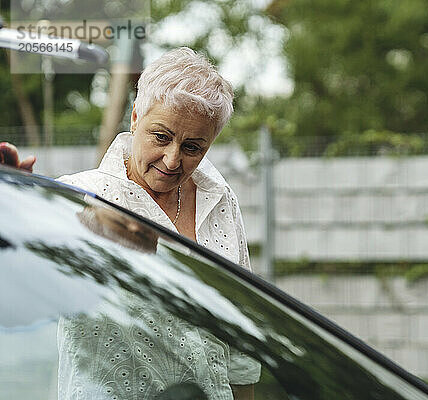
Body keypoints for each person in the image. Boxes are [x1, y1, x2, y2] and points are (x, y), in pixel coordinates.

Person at [1, 47, 259, 400]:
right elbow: (20, 286)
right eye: (162, 137)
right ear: (135, 117)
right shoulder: (80, 195)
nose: (172, 160)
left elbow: (239, 329)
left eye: (193, 147)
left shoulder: (221, 200)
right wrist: (14, 204)